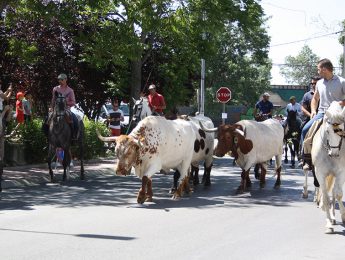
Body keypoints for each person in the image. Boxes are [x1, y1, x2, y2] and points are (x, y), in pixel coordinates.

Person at [300, 58, 345, 168]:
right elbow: (315, 99)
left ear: (325, 69)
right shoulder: (319, 83)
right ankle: (306, 159)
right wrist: (314, 111)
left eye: (318, 69)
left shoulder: (342, 81)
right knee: (305, 130)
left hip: (337, 116)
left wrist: (341, 103)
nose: (318, 71)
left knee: (339, 133)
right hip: (322, 114)